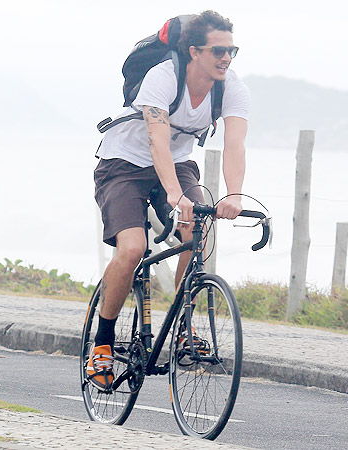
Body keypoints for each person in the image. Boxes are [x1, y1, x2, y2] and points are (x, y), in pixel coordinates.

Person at [88, 11, 250, 389]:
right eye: (219, 50)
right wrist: (175, 196)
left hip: (177, 165)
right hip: (123, 165)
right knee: (131, 250)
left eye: (232, 50)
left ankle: (182, 328)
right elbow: (155, 140)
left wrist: (235, 194)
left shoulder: (232, 87)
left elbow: (235, 145)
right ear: (194, 51)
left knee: (197, 235)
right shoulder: (163, 77)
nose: (226, 58)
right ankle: (103, 345)